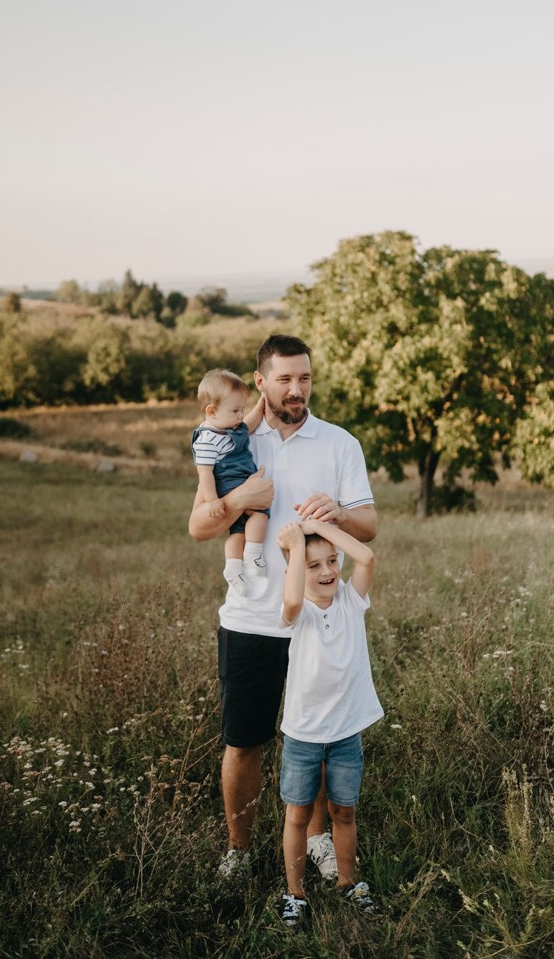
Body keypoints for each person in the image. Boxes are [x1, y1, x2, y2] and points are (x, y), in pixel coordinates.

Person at [187, 335, 377, 885]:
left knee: (317, 738)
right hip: (250, 619)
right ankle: (239, 851)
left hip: (318, 623)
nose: (297, 390)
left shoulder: (339, 443)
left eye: (306, 379)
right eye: (285, 379)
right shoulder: (229, 438)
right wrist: (237, 503)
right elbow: (200, 527)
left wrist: (338, 512)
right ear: (261, 381)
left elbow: (369, 526)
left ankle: (317, 841)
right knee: (244, 741)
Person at [275, 518, 383, 929]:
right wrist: (295, 547)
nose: (327, 572)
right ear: (297, 571)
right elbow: (289, 600)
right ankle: (295, 893)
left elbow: (367, 556)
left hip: (345, 733)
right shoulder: (296, 612)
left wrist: (320, 526)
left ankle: (348, 883)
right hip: (303, 736)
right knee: (299, 815)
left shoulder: (350, 601)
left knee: (343, 810)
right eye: (313, 565)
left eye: (332, 561)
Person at [191, 369, 268, 597]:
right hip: (228, 484)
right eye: (235, 410)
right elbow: (204, 474)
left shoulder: (232, 427)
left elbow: (250, 424)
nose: (240, 416)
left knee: (237, 531)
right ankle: (254, 554)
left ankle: (233, 569)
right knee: (260, 514)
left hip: (240, 479)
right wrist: (213, 500)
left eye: (242, 409)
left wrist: (262, 402)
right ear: (212, 411)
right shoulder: (206, 439)